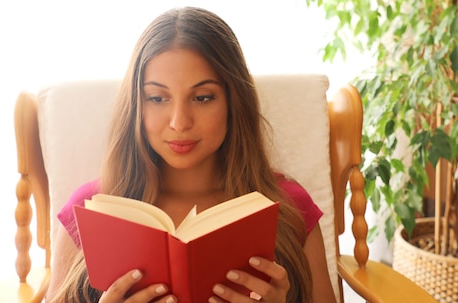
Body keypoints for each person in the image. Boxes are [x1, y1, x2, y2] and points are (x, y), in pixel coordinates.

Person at [46, 6, 336, 303]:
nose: (179, 122)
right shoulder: (92, 209)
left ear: (233, 102)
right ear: (136, 106)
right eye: (157, 98)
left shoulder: (288, 206)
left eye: (202, 98)